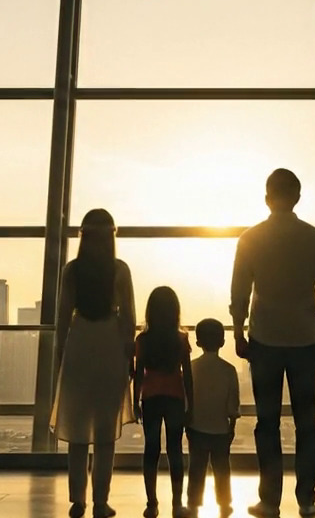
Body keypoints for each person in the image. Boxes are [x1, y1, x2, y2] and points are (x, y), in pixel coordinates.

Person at [230, 169, 315, 518]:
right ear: (298, 197)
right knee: (307, 422)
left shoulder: (250, 239)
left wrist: (237, 332)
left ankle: (270, 500)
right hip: (306, 339)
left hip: (264, 339)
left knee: (267, 423)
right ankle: (306, 499)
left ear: (266, 198)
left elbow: (239, 292)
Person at [53, 209, 137, 518]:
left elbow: (62, 319)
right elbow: (129, 317)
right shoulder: (119, 270)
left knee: (77, 431)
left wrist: (61, 355)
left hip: (79, 347)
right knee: (105, 433)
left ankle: (78, 500)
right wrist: (130, 358)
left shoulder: (72, 271)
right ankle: (101, 501)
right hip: (110, 346)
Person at [134, 286, 193, 518]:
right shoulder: (180, 339)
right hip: (176, 397)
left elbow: (139, 373)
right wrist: (192, 404)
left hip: (150, 397)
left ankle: (152, 503)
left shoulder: (143, 340)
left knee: (151, 449)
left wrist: (135, 401)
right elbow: (187, 374)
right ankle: (177, 504)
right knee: (175, 450)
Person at [185, 318, 239, 518]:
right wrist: (231, 425)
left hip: (196, 427)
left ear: (198, 342)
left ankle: (193, 502)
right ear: (223, 341)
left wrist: (187, 423)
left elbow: (186, 399)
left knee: (196, 468)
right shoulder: (229, 370)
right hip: (221, 429)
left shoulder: (191, 368)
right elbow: (232, 403)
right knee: (222, 469)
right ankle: (224, 503)